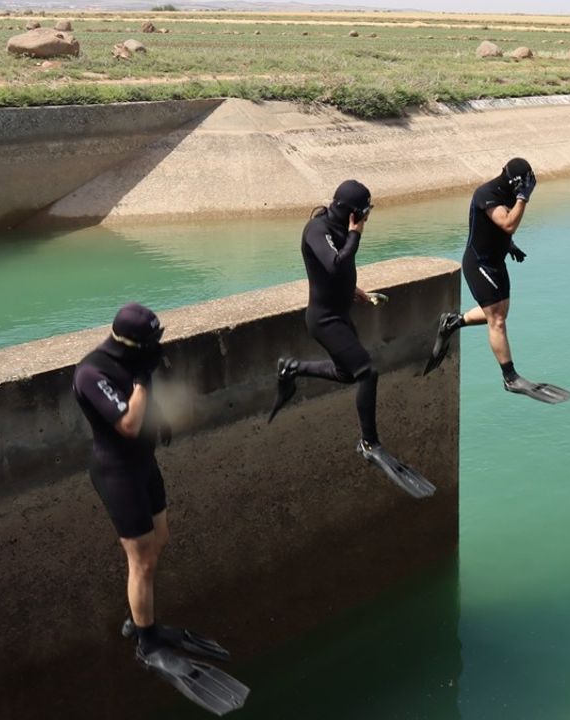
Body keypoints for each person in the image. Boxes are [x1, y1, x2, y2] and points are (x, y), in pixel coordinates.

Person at [73, 303, 248, 716]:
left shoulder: (137, 359)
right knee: (142, 560)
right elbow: (128, 424)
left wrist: (160, 417)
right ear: (130, 343)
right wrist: (141, 380)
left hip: (143, 465)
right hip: (117, 473)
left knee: (160, 539)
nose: (157, 348)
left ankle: (139, 618)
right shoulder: (91, 373)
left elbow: (145, 409)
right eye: (151, 343)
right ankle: (147, 644)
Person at [267, 179, 435, 499]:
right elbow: (334, 265)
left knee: (347, 373)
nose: (366, 219)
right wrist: (356, 234)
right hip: (324, 320)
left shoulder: (340, 228)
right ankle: (369, 443)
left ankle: (292, 368)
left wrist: (357, 292)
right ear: (351, 212)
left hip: (339, 315)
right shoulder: (317, 230)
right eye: (364, 213)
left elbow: (339, 273)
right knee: (367, 373)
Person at [423, 157, 570, 404]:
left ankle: (453, 322)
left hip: (496, 262)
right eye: (523, 185)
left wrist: (509, 245)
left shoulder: (509, 194)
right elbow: (507, 223)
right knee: (497, 320)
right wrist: (523, 198)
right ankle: (510, 377)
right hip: (479, 263)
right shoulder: (487, 194)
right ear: (515, 182)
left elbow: (495, 227)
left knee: (499, 313)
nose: (526, 188)